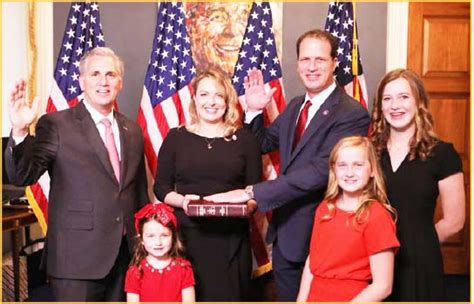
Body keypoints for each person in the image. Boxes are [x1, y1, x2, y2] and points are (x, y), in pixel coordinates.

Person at [204, 29, 370, 300]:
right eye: (305, 59)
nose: (312, 67)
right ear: (297, 64)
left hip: (325, 234)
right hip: (287, 236)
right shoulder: (295, 106)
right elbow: (261, 143)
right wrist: (255, 110)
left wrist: (252, 193)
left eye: (320, 59)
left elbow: (321, 171)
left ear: (334, 63)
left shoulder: (351, 113)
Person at [4, 47, 149, 301]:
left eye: (110, 74)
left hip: (126, 257)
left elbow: (137, 195)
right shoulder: (57, 124)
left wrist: (143, 246)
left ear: (120, 82)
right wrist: (19, 130)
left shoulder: (132, 130)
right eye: (94, 74)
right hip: (76, 261)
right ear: (81, 81)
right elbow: (22, 176)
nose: (103, 82)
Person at [153, 68, 262, 301]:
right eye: (204, 94)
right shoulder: (176, 138)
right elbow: (160, 187)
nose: (211, 102)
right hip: (186, 239)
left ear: (227, 100)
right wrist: (184, 201)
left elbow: (255, 191)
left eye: (218, 95)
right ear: (194, 99)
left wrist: (246, 206)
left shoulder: (245, 140)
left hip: (231, 240)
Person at [371, 68, 465, 301]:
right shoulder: (369, 151)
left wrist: (416, 244)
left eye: (404, 97)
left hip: (420, 263)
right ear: (380, 107)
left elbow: (455, 221)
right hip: (373, 261)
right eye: (387, 99)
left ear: (419, 102)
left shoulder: (443, 154)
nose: (395, 105)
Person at [296, 136, 400, 302]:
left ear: (372, 170)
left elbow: (383, 286)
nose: (349, 173)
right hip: (315, 295)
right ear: (333, 170)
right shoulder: (325, 208)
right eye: (342, 165)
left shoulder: (376, 215)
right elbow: (312, 261)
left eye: (358, 165)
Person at [125, 203, 195, 302]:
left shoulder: (183, 268)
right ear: (141, 240)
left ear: (173, 237)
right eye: (151, 236)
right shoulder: (135, 272)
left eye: (164, 235)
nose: (158, 242)